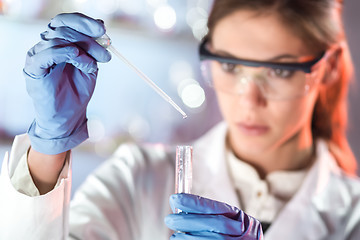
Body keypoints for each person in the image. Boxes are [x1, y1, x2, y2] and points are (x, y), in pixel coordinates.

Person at [1, 0, 360, 239]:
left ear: (326, 69)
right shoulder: (138, 176)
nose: (250, 99)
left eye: (280, 71)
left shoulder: (352, 217)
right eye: (231, 66)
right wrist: (48, 145)